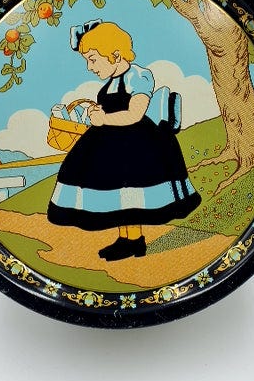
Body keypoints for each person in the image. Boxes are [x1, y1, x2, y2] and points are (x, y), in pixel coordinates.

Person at [47, 20, 201, 261]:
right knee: (117, 190)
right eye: (87, 60)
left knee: (131, 188)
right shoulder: (110, 83)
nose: (89, 67)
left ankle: (134, 239)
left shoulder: (138, 77)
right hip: (111, 140)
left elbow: (134, 114)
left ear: (116, 55)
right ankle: (127, 239)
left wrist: (104, 119)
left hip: (137, 141)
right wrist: (97, 114)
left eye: (92, 59)